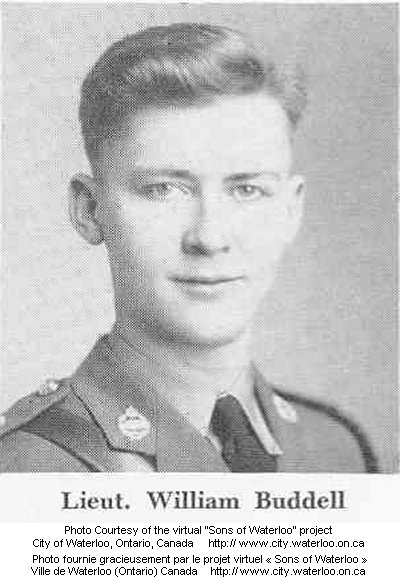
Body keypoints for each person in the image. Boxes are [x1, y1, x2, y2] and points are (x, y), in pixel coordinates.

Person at [0, 23, 378, 473]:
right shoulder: (31, 464)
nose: (209, 237)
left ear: (290, 210)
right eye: (163, 189)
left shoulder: (335, 450)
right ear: (89, 210)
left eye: (247, 190)